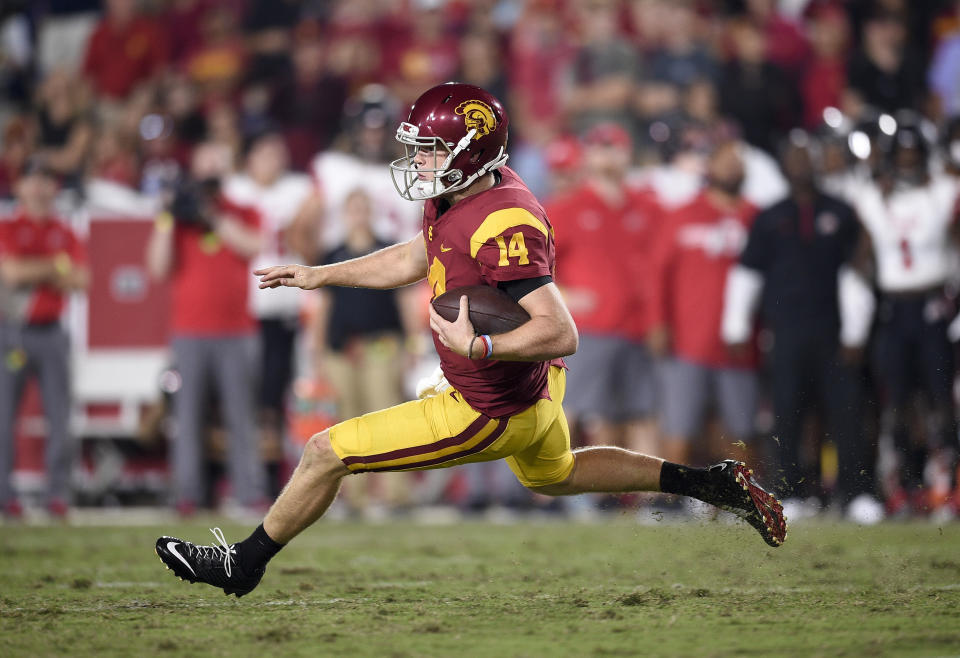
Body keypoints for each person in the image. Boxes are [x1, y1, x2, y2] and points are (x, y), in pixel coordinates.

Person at [154, 83, 786, 598]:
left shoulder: (503, 220)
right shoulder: (462, 190)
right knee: (557, 474)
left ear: (467, 151)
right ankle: (713, 484)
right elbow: (416, 255)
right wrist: (323, 274)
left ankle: (244, 564)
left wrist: (480, 349)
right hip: (533, 398)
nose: (418, 161)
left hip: (488, 406)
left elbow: (560, 331)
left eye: (430, 149)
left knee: (325, 450)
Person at [721, 133, 879, 521]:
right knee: (787, 414)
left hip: (834, 330)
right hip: (786, 330)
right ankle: (792, 493)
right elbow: (748, 273)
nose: (801, 164)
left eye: (807, 157)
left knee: (846, 413)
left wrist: (856, 332)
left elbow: (856, 273)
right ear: (784, 164)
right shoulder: (770, 215)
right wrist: (736, 325)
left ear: (819, 162)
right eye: (794, 158)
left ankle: (855, 493)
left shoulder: (841, 211)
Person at [145, 141, 266, 516]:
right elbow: (157, 267)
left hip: (237, 330)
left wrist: (212, 217)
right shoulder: (178, 219)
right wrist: (167, 216)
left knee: (241, 416)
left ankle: (249, 493)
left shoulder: (242, 210)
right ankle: (188, 493)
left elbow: (252, 245)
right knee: (187, 416)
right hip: (190, 331)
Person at [646, 141, 759, 466]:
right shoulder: (681, 215)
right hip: (686, 342)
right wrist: (657, 323)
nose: (732, 169)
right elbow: (657, 275)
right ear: (709, 168)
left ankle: (740, 500)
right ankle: (678, 502)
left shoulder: (757, 217)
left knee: (740, 431)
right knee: (680, 428)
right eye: (725, 161)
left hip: (740, 345)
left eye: (738, 162)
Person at [223, 129, 315, 496]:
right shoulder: (234, 190)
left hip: (288, 308)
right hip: (245, 310)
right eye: (263, 153)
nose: (271, 161)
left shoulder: (299, 189)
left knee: (287, 397)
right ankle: (246, 475)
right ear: (248, 159)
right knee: (246, 397)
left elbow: (313, 229)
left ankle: (281, 474)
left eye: (277, 153)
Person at [0, 159, 89, 519]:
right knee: (5, 417)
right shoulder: (8, 227)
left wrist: (37, 270)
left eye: (45, 181)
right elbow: (11, 273)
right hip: (13, 332)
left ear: (54, 188)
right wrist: (56, 266)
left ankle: (57, 495)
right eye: (31, 181)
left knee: (59, 416)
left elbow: (83, 280)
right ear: (19, 187)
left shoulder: (64, 230)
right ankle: (6, 496)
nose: (38, 189)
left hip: (51, 331)